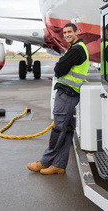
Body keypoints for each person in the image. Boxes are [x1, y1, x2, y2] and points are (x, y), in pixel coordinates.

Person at [27, 22, 89, 175]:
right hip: (71, 93)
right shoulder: (77, 49)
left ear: (76, 32)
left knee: (58, 129)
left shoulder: (76, 50)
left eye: (70, 32)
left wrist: (60, 65)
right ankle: (59, 165)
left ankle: (45, 161)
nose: (67, 35)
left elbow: (59, 69)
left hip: (67, 94)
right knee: (67, 130)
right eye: (65, 33)